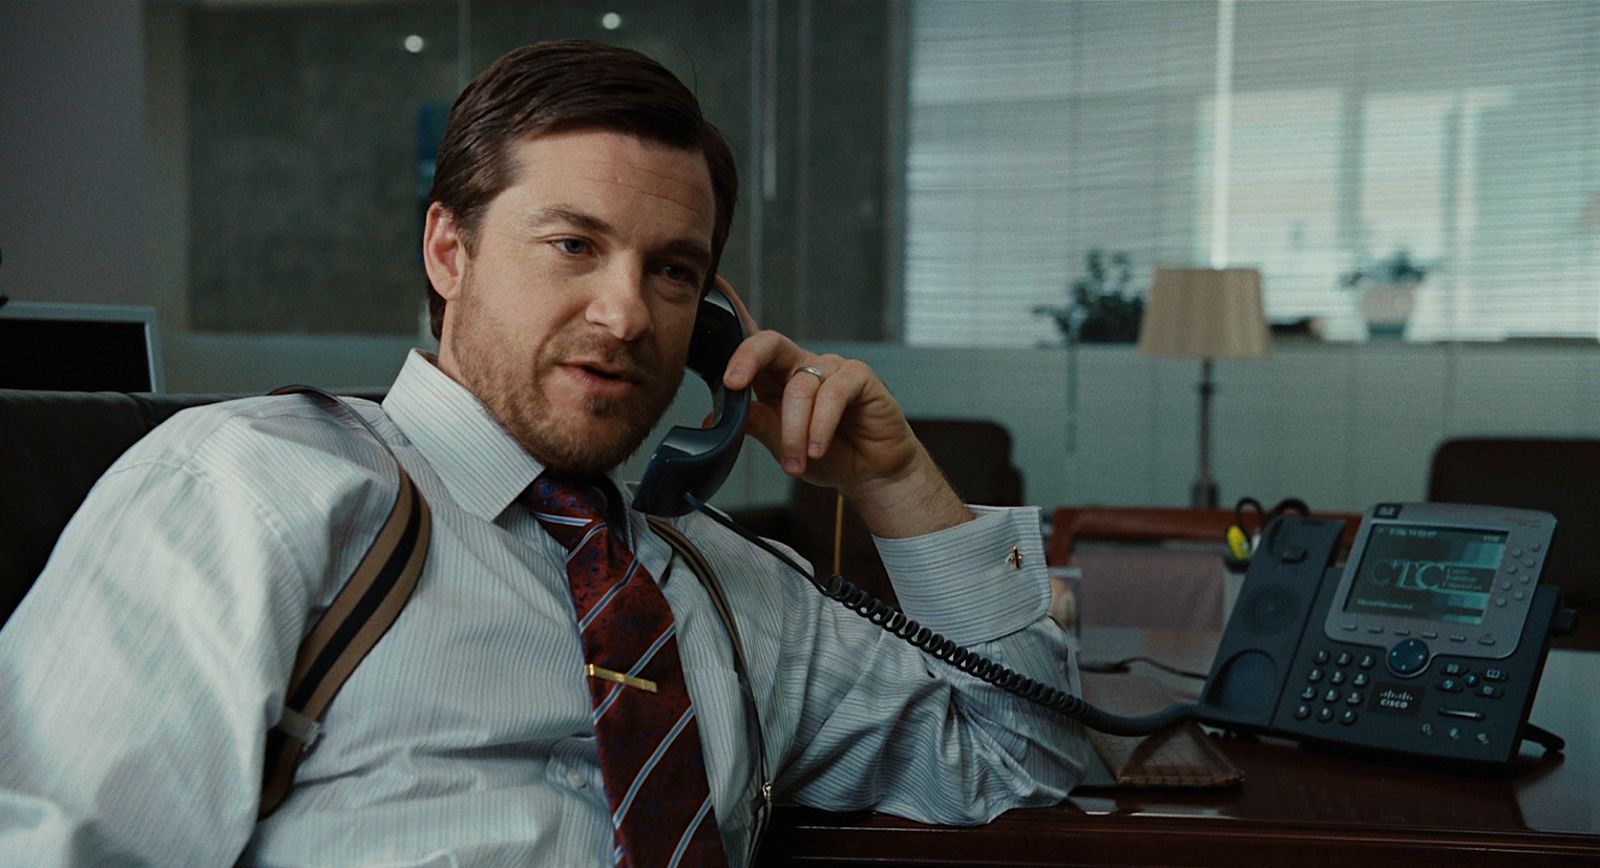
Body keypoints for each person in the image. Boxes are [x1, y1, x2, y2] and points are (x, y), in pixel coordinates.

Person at [0, 39, 1089, 866]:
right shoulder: (252, 489)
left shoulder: (722, 585)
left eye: (672, 271)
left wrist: (902, 487)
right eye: (573, 244)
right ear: (448, 250)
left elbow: (1021, 762)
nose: (625, 314)